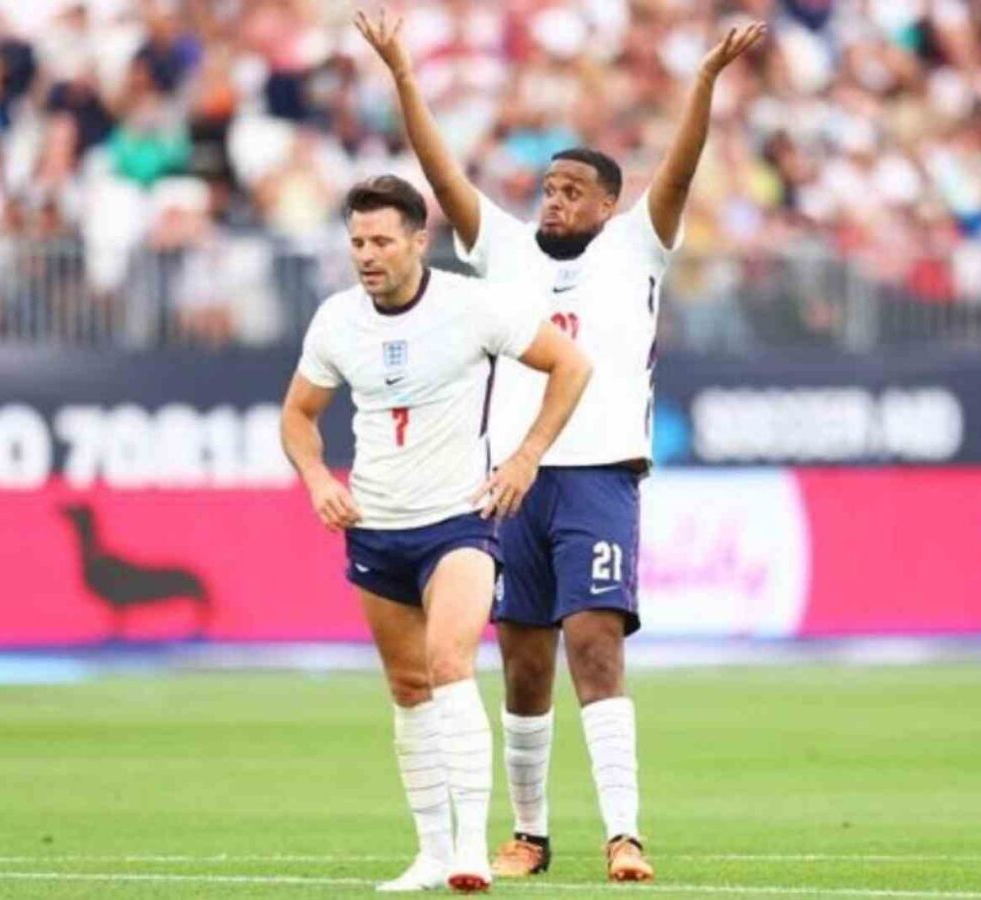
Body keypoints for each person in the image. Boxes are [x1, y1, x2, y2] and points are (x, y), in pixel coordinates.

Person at [356, 8, 766, 883]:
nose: (554, 198)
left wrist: (701, 86)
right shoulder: (502, 250)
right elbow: (440, 177)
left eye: (573, 190)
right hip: (509, 480)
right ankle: (531, 835)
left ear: (609, 204)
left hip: (601, 475)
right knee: (525, 659)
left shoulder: (636, 248)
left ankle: (625, 831)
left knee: (595, 643)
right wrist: (402, 77)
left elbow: (683, 170)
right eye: (548, 187)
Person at [280, 174, 591, 893]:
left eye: (382, 239)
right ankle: (427, 852)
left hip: (459, 520)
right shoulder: (335, 321)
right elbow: (297, 416)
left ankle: (471, 850)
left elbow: (570, 365)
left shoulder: (470, 305)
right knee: (407, 684)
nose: (367, 254)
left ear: (420, 240)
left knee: (451, 664)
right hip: (377, 524)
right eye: (357, 241)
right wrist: (321, 481)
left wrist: (525, 456)